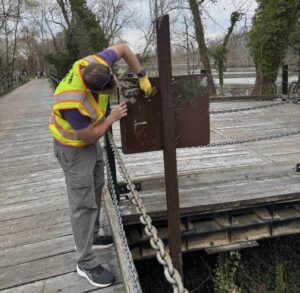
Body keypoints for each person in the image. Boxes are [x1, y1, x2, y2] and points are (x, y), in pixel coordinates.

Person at [48, 44, 152, 288]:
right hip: (72, 147)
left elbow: (124, 49)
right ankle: (85, 261)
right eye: (110, 90)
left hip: (89, 142)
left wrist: (142, 75)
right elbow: (89, 136)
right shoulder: (73, 102)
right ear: (93, 91)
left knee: (97, 185)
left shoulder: (96, 63)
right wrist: (111, 117)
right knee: (82, 203)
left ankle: (92, 236)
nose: (114, 89)